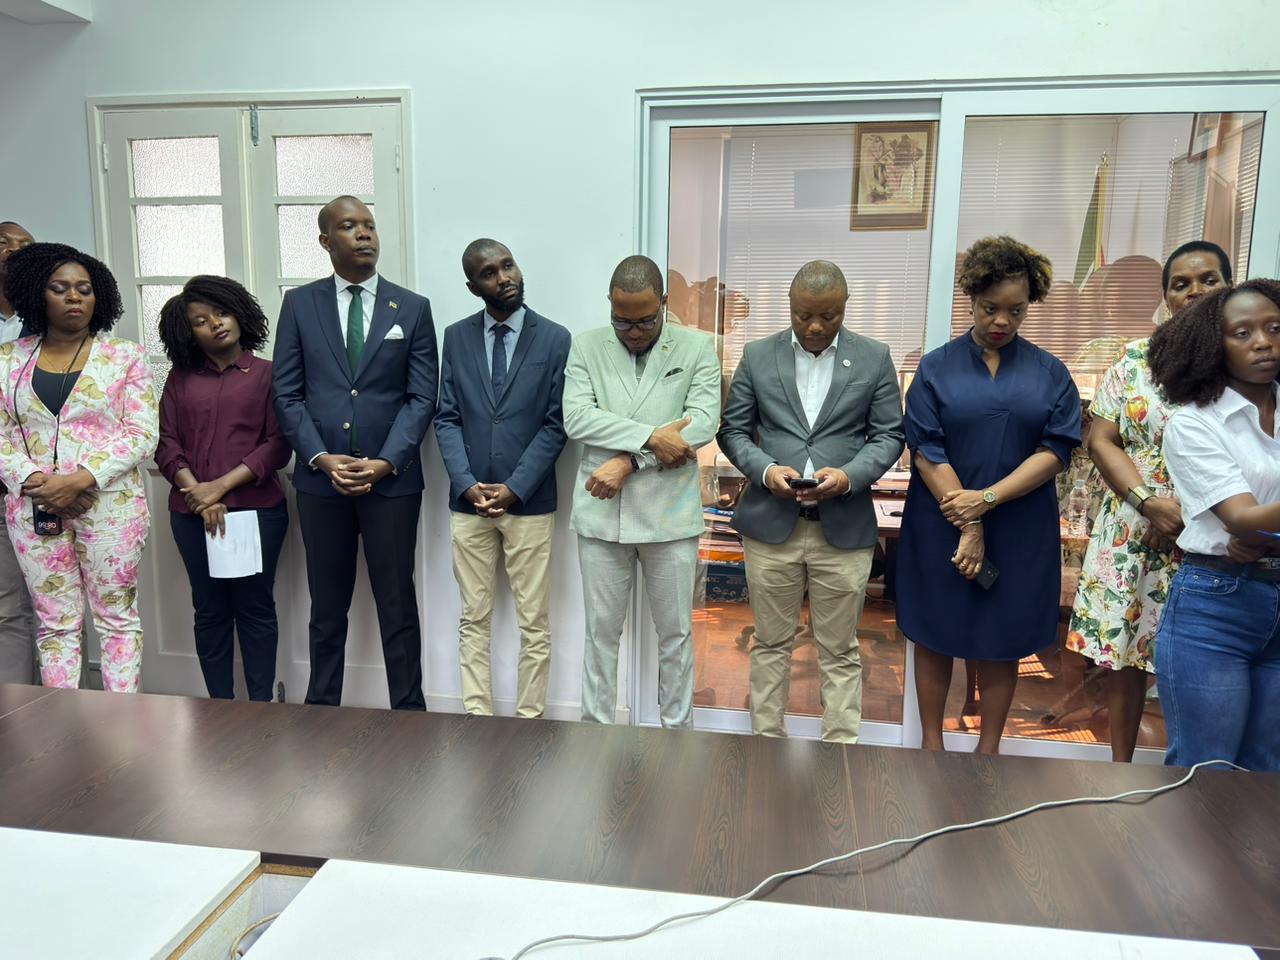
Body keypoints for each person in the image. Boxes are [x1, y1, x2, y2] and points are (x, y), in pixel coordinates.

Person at [898, 236, 1081, 754]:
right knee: (935, 628)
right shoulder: (936, 367)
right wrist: (970, 520)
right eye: (989, 308)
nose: (1002, 320)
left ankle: (989, 752)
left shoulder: (1051, 373)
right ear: (971, 299)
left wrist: (987, 501)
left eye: (1015, 311)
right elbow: (925, 449)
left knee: (1004, 634)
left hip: (1020, 526)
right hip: (942, 518)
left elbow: (1056, 451)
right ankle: (931, 747)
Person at [717, 261, 904, 743]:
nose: (816, 326)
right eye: (804, 315)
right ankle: (766, 745)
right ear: (790, 306)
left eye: (829, 315)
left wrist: (849, 477)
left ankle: (840, 750)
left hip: (842, 528)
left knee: (840, 649)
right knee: (770, 643)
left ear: (844, 308)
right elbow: (733, 431)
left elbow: (889, 435)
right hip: (771, 526)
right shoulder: (758, 355)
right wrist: (765, 470)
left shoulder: (874, 357)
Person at [1067, 241, 1231, 761]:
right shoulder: (1135, 358)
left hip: (1213, 530)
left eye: (1208, 280)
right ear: (1166, 297)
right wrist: (1149, 504)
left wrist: (1183, 511)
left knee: (1199, 662)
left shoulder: (1244, 363)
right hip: (1131, 527)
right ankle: (1122, 769)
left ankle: (1194, 775)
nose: (1195, 291)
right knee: (1125, 656)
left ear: (1230, 286)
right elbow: (1101, 440)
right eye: (1181, 284)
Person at [272, 195, 437, 710]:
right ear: (326, 241)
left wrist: (387, 461)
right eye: (349, 226)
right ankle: (321, 710)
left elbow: (422, 397)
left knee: (397, 603)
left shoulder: (412, 307)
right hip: (322, 483)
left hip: (393, 484)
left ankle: (409, 712)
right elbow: (287, 394)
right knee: (326, 606)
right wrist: (320, 458)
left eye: (369, 224)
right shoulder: (300, 305)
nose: (364, 233)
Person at [563, 255, 720, 729]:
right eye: (622, 321)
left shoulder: (697, 347)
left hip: (669, 515)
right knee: (600, 637)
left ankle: (678, 735)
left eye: (645, 321)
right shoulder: (586, 346)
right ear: (610, 307)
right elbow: (577, 418)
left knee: (675, 636)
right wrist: (651, 437)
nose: (633, 332)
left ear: (664, 304)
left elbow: (701, 424)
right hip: (601, 513)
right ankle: (595, 733)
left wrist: (629, 461)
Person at [0, 242, 157, 691]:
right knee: (56, 624)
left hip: (110, 507)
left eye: (84, 289)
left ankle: (121, 723)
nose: (74, 297)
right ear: (37, 294)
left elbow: (142, 431)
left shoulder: (126, 356)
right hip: (34, 508)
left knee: (116, 619)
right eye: (60, 288)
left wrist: (81, 480)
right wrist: (37, 482)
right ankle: (61, 725)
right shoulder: (7, 360)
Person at [435, 240, 571, 718]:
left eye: (508, 265)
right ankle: (477, 717)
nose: (504, 277)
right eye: (489, 273)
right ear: (473, 287)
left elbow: (556, 424)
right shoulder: (456, 337)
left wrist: (515, 487)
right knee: (473, 617)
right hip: (468, 503)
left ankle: (529, 720)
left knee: (534, 622)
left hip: (529, 503)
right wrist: (465, 482)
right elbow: (446, 417)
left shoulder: (554, 338)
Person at [1148, 279, 1280, 772]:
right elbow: (1241, 518)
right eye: (1242, 333)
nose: (1263, 342)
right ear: (1211, 346)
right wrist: (1250, 532)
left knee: (1267, 773)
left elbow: (1256, 528)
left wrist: (1265, 540)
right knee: (1206, 772)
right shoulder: (1195, 423)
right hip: (1217, 607)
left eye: (1274, 328)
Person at [156, 276, 292, 702]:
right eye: (200, 321)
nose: (215, 323)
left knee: (255, 608)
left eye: (221, 312)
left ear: (239, 314)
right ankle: (219, 708)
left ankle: (261, 706)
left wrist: (217, 489)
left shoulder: (269, 374)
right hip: (190, 513)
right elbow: (166, 444)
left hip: (256, 511)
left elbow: (278, 444)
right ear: (188, 333)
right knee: (210, 610)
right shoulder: (179, 380)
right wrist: (198, 494)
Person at [0, 220, 36, 684]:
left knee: (59, 603)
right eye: (3, 243)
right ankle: (18, 707)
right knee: (8, 604)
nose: (13, 249)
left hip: (46, 485)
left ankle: (68, 700)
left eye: (24, 244)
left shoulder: (51, 316)